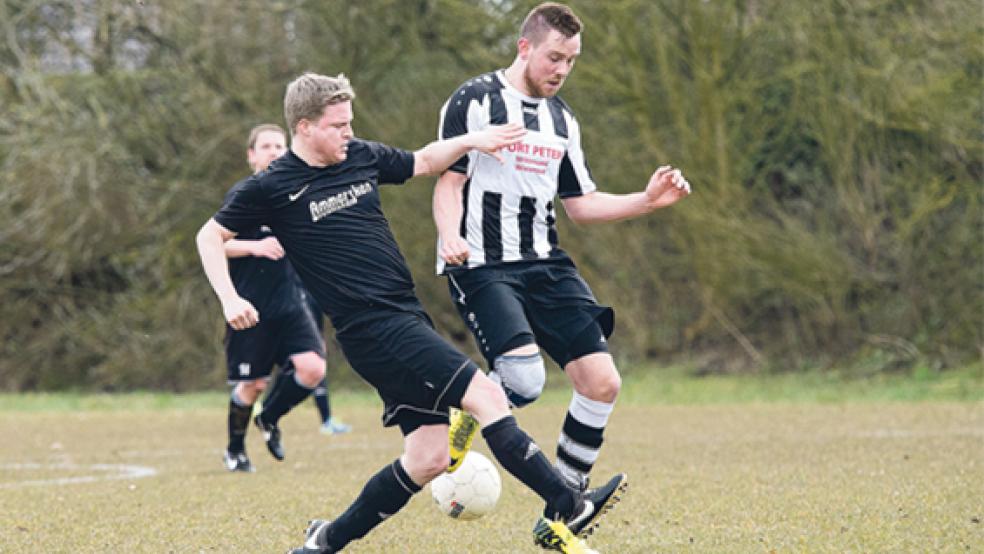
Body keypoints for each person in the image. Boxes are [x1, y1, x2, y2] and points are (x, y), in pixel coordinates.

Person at [196, 72, 623, 554]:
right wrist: (231, 299)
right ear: (305, 126)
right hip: (372, 328)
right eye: (338, 124)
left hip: (404, 317)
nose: (348, 132)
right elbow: (209, 237)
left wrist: (471, 140)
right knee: (487, 396)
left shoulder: (357, 156)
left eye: (349, 122)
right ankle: (568, 503)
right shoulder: (270, 186)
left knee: (427, 458)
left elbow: (422, 161)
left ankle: (323, 542)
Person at [433, 1, 692, 494]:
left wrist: (647, 201)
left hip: (545, 263)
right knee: (525, 383)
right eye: (554, 58)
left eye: (571, 60)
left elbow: (581, 204)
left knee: (602, 382)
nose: (562, 70)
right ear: (524, 47)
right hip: (484, 265)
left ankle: (566, 505)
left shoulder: (562, 120)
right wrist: (450, 235)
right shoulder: (475, 100)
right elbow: (449, 183)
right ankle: (467, 404)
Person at [219, 124, 328, 473]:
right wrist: (255, 246)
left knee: (313, 368)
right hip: (251, 307)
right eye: (266, 146)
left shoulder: (297, 195)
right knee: (253, 385)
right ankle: (235, 450)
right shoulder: (245, 195)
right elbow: (217, 243)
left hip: (291, 305)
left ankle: (270, 417)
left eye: (280, 146)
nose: (274, 152)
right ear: (251, 155)